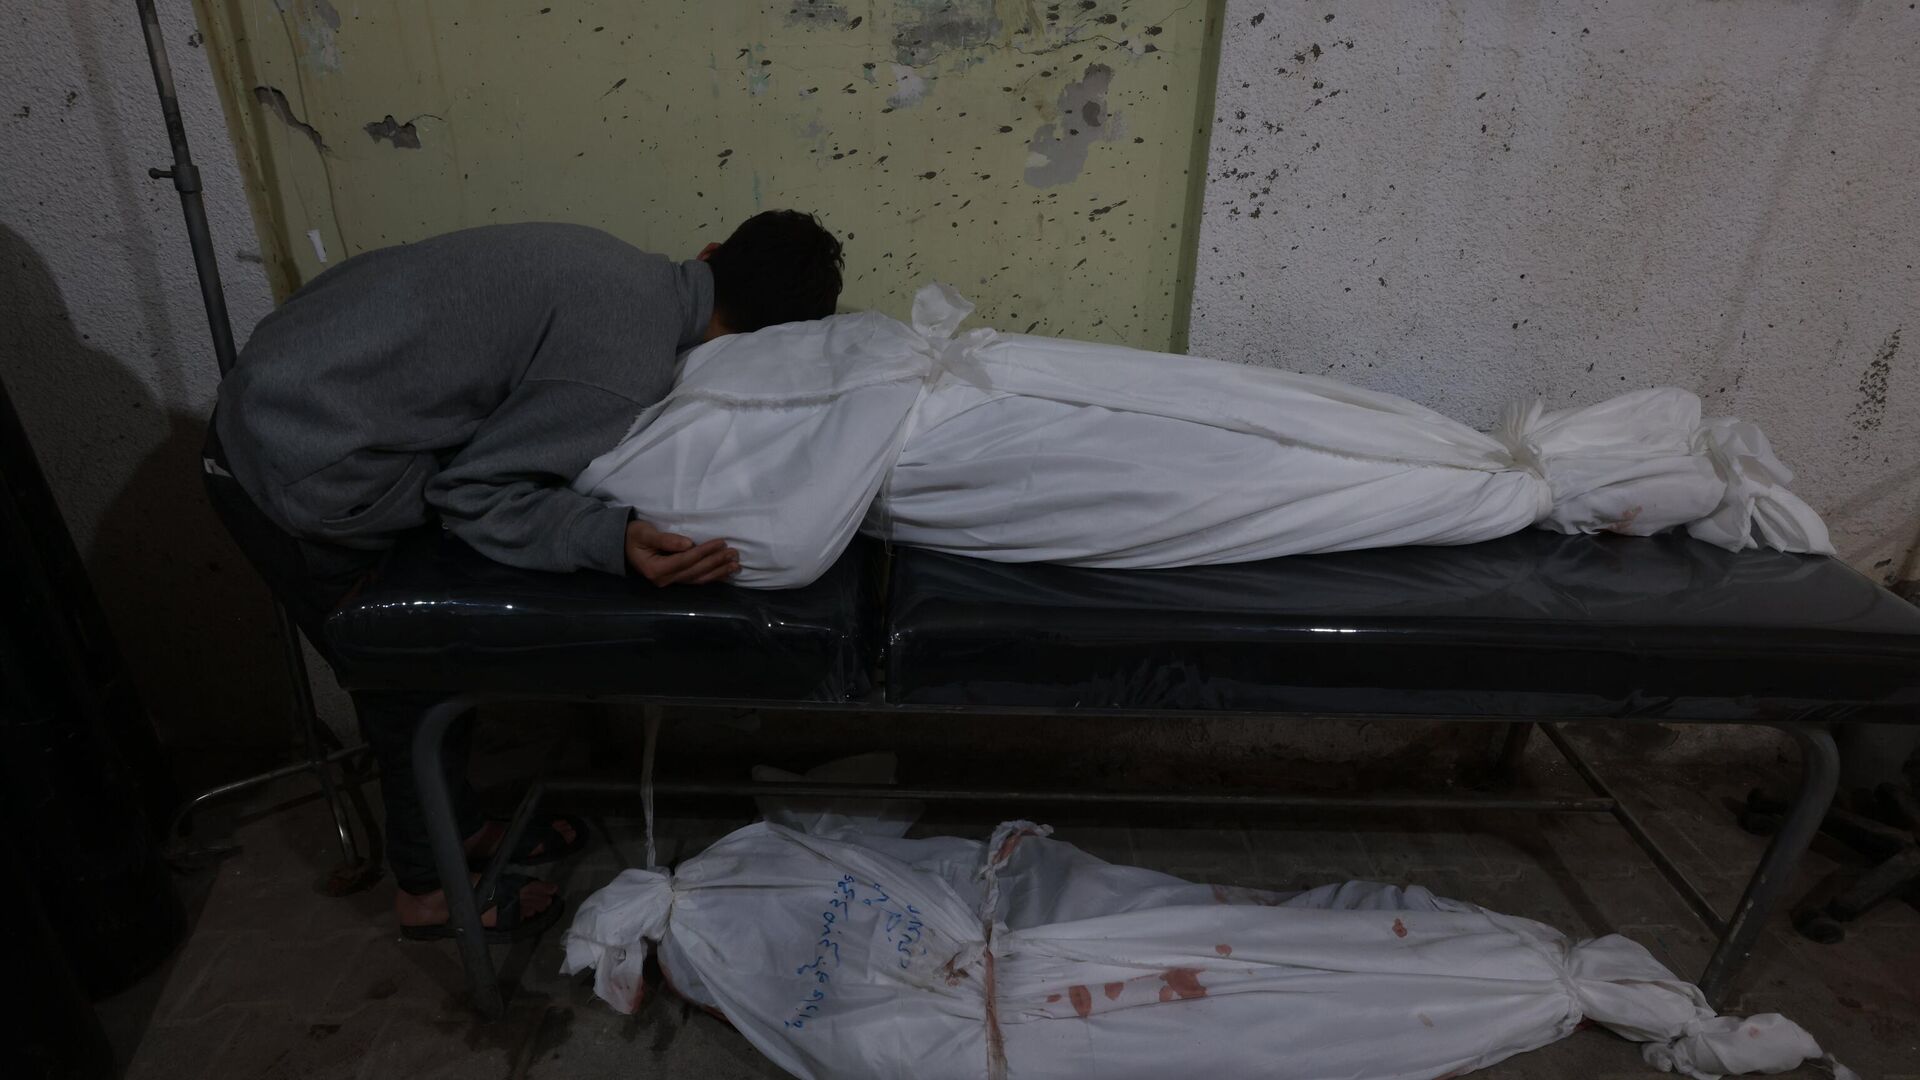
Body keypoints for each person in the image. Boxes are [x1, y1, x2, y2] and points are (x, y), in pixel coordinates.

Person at [202, 211, 845, 939]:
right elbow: (472, 497)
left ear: (709, 251)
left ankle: (463, 828)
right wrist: (613, 537)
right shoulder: (624, 359)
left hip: (279, 388)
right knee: (407, 674)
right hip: (297, 461)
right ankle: (429, 889)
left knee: (423, 671)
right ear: (762, 342)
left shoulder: (608, 255)